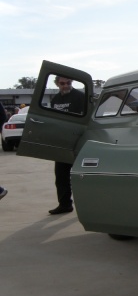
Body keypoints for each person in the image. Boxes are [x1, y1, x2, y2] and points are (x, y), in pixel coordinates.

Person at [49, 75, 85, 215]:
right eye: (62, 83)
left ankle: (88, 205)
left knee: (81, 176)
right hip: (62, 143)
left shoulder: (80, 97)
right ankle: (65, 205)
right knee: (61, 176)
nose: (65, 85)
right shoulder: (55, 100)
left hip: (78, 142)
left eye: (68, 82)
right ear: (57, 84)